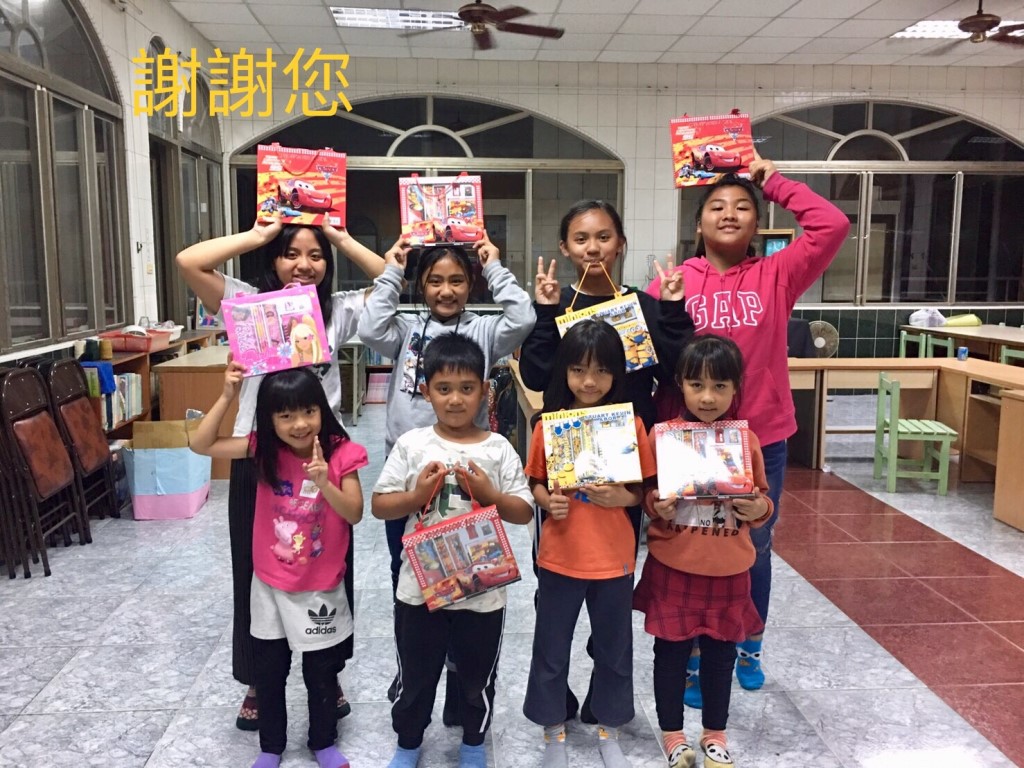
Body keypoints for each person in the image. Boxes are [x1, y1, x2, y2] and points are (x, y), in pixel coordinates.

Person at [645, 153, 849, 699]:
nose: (729, 214)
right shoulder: (674, 281)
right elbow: (658, 360)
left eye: (742, 206)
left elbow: (832, 225)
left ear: (758, 221)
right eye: (717, 206)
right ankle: (693, 648)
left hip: (760, 438)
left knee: (754, 542)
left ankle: (748, 643)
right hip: (688, 440)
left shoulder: (777, 273)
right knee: (693, 543)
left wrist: (772, 181)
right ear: (698, 222)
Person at [176, 217, 384, 730]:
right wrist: (258, 235)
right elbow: (188, 262)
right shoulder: (248, 303)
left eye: (315, 255)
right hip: (258, 455)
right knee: (253, 568)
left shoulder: (337, 311)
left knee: (328, 563)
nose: (303, 265)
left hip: (321, 459)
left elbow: (391, 281)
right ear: (273, 259)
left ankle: (327, 670)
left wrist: (340, 236)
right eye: (291, 253)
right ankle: (257, 677)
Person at [519, 199, 693, 721]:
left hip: (626, 459)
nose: (592, 247)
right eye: (581, 238)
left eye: (603, 237)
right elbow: (536, 374)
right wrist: (545, 312)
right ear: (565, 247)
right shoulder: (557, 306)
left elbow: (679, 366)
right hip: (564, 458)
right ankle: (556, 692)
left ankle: (604, 690)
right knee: (556, 579)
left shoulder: (643, 305)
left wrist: (674, 309)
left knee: (611, 584)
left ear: (620, 244)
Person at [190, 363, 368, 768]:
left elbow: (354, 512)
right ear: (269, 420)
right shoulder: (263, 450)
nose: (299, 424)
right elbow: (201, 444)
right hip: (269, 585)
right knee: (269, 673)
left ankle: (323, 742)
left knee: (321, 674)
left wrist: (324, 482)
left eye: (308, 411)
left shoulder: (343, 452)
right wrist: (227, 395)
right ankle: (271, 748)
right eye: (285, 415)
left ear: (322, 409)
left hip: (321, 586)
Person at [371, 334, 534, 768]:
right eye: (444, 389)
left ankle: (474, 744)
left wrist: (489, 495)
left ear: (484, 390)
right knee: (416, 674)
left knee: (477, 676)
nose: (456, 400)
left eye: (466, 388)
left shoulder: (498, 448)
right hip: (418, 590)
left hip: (483, 592)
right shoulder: (412, 444)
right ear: (427, 392)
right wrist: (415, 496)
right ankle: (408, 743)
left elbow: (523, 512)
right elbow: (380, 505)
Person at [358, 235, 534, 592]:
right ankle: (411, 614)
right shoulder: (406, 328)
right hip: (409, 460)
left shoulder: (484, 329)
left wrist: (493, 267)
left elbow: (522, 318)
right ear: (421, 285)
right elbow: (369, 329)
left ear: (470, 284)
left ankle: (468, 618)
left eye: (457, 281)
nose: (446, 291)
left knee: (468, 556)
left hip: (466, 460)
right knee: (405, 556)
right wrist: (392, 272)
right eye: (435, 281)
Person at [523, 319, 657, 768]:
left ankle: (608, 729)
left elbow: (642, 491)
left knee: (614, 652)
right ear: (564, 371)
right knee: (550, 651)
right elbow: (535, 482)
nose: (589, 381)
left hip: (614, 560)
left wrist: (623, 498)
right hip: (559, 557)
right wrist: (547, 501)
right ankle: (553, 732)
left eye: (601, 370)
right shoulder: (548, 427)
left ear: (617, 373)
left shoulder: (630, 426)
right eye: (578, 370)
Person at [635, 335, 773, 768]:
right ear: (680, 385)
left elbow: (762, 500)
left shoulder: (745, 441)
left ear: (736, 388)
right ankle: (673, 736)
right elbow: (647, 495)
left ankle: (715, 734)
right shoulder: (662, 437)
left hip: (729, 569)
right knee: (670, 655)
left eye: (720, 386)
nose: (708, 397)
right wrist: (655, 505)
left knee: (720, 656)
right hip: (675, 564)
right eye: (697, 385)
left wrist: (759, 508)